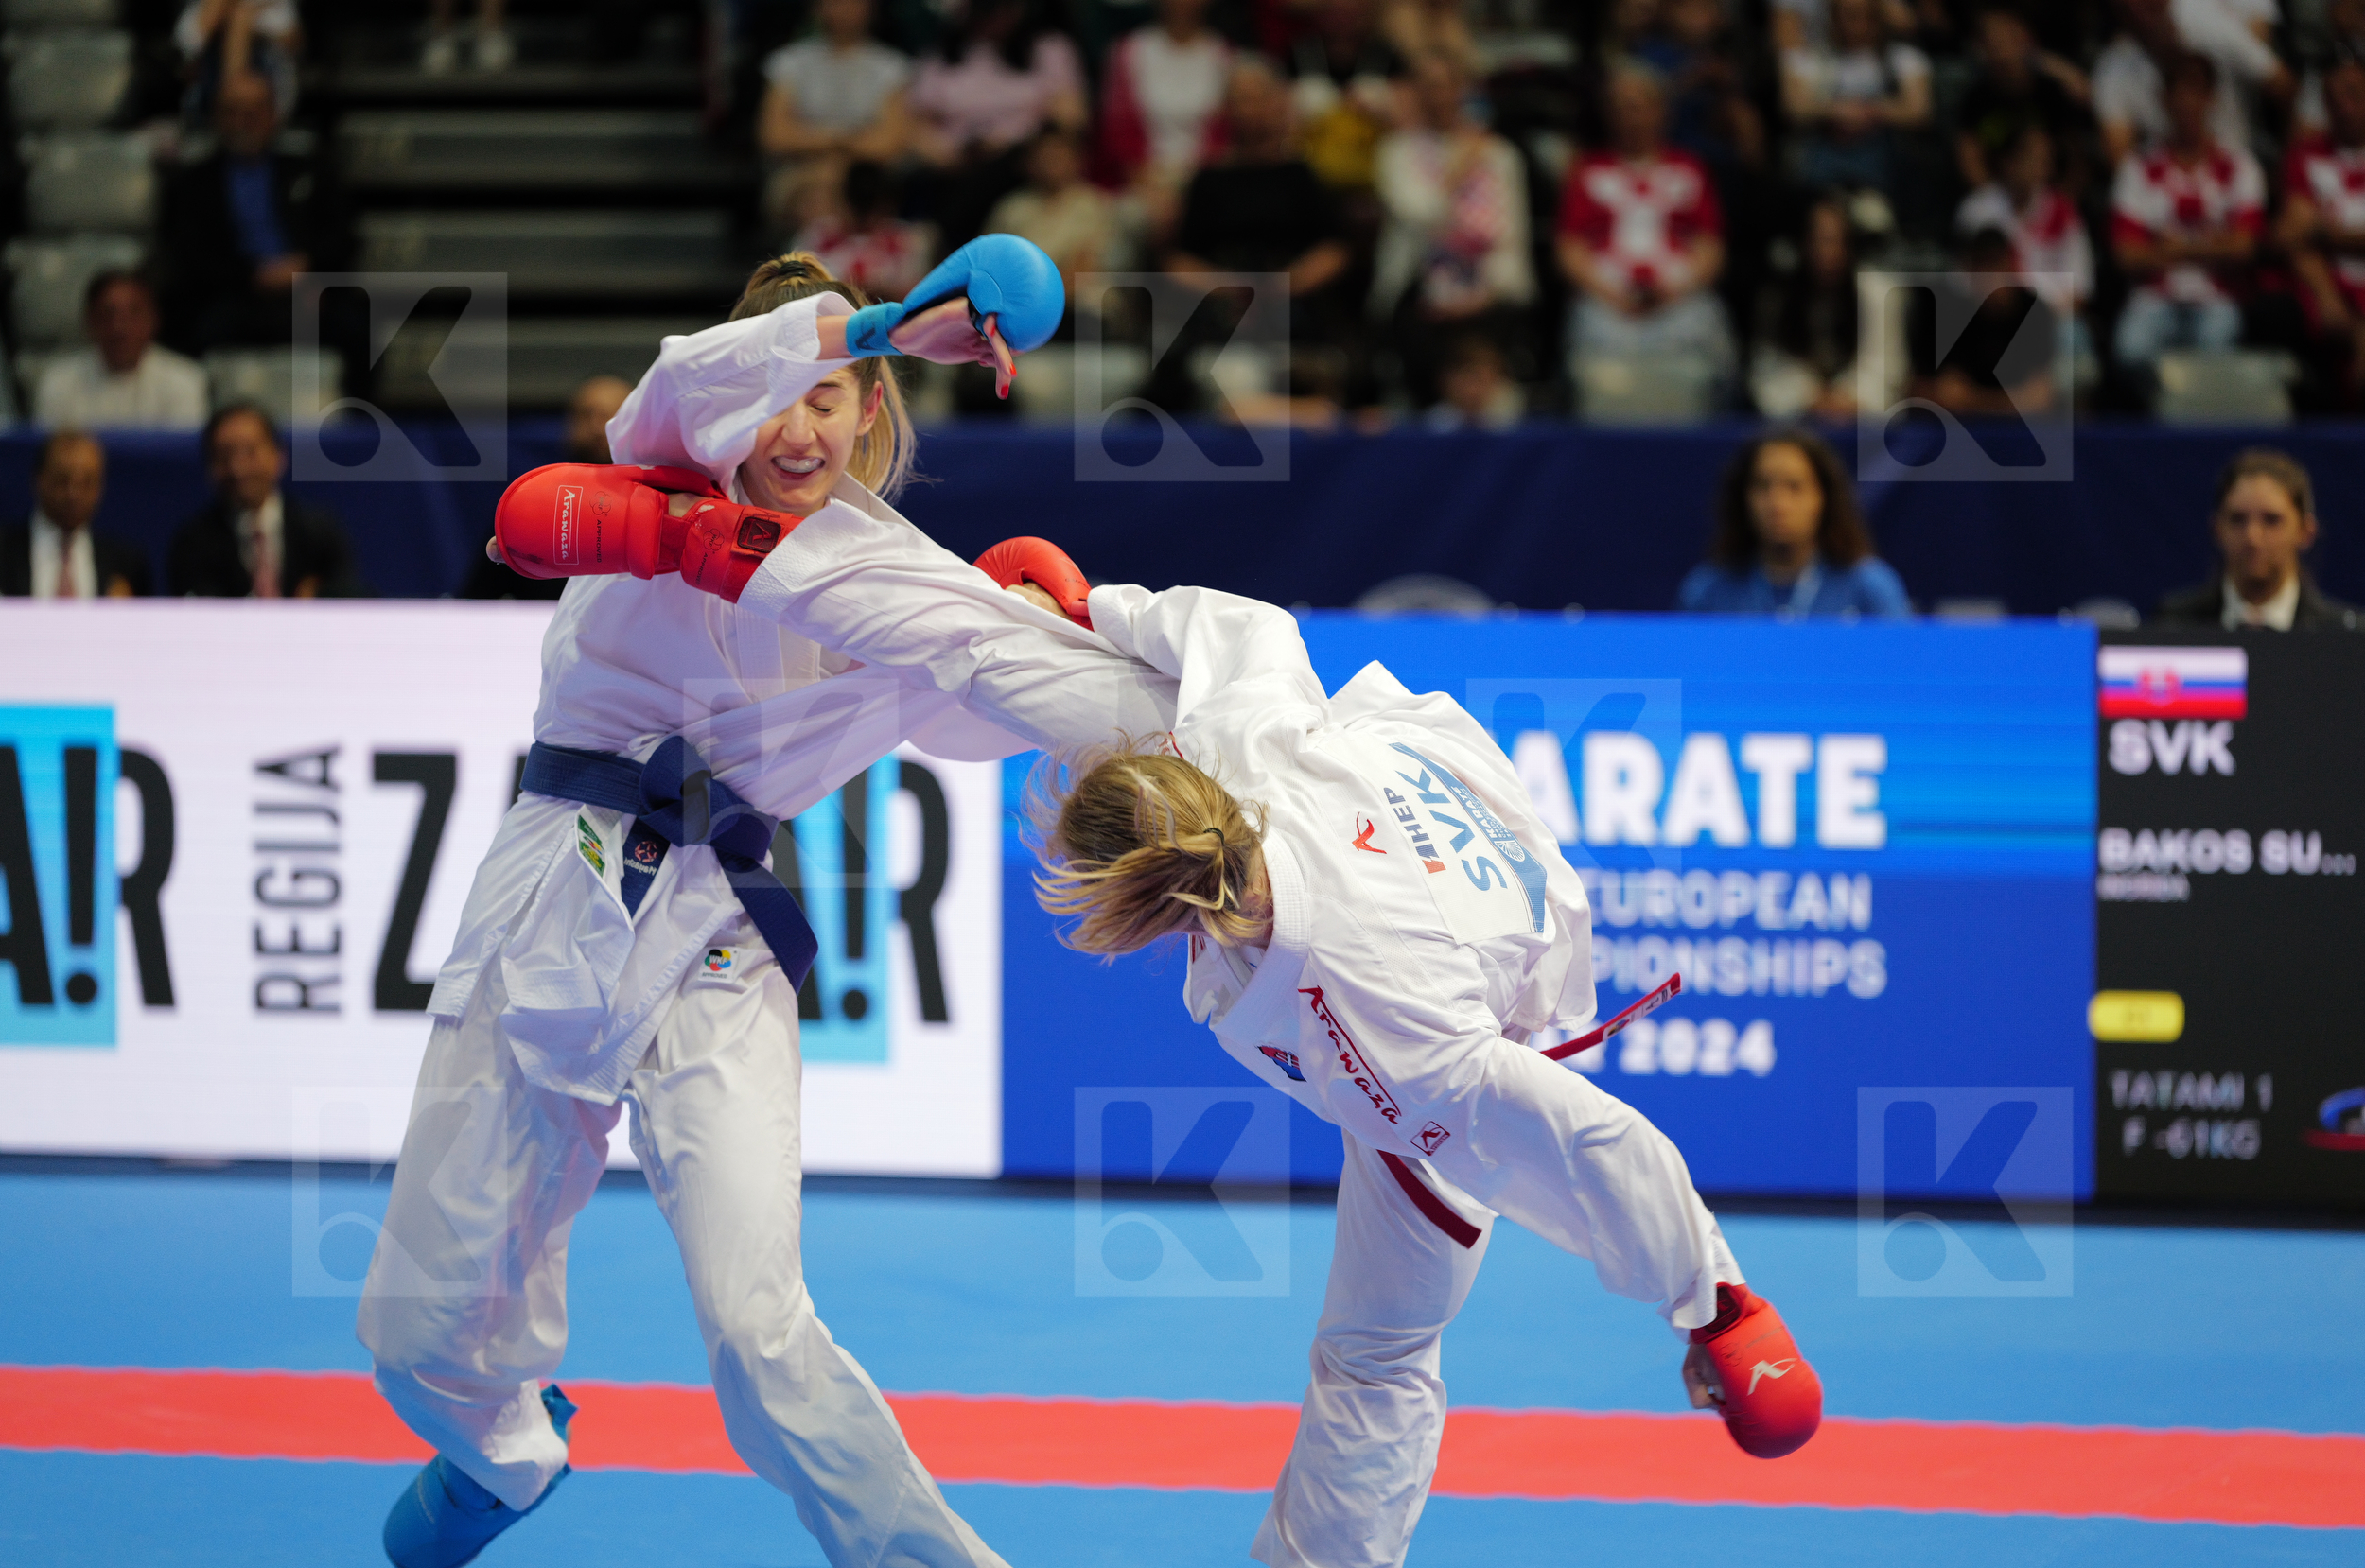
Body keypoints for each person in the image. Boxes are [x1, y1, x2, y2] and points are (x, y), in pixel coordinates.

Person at [499, 475, 1827, 1568]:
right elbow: (1233, 630)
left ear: (1147, 913)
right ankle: (740, 552)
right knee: (1094, 684)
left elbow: (1579, 1131)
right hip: (1423, 818)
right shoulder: (1235, 751)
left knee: (1379, 1344)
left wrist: (1716, 1307)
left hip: (1497, 968)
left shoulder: (1396, 1033)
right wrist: (1091, 605)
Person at [358, 240, 1101, 1568]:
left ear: (872, 411)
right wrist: (866, 321)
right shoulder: (661, 463)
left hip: (722, 941)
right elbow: (688, 376)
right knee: (417, 1330)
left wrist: (1062, 622)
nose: (800, 426)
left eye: (834, 397)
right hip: (559, 891)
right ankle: (505, 1456)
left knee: (762, 1331)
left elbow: (981, 714)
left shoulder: (890, 569)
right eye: (782, 391)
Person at [1556, 62, 1735, 402]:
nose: (1632, 116)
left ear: (1661, 111)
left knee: (1708, 325)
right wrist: (1612, 296)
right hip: (1607, 302)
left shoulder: (1688, 169)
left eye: (1640, 105)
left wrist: (1673, 291)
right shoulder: (1589, 171)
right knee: (1585, 330)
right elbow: (1570, 248)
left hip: (1677, 300)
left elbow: (1710, 246)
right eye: (1623, 106)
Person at [1371, 50, 1535, 406]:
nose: (1438, 95)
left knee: (1492, 369)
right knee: (1422, 351)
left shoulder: (1499, 155)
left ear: (1462, 90)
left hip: (1486, 296)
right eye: (1428, 86)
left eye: (1446, 86)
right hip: (1420, 295)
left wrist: (1487, 296)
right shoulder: (1396, 151)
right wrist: (1457, 170)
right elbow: (1419, 213)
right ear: (1414, 92)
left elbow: (1512, 237)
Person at [2109, 50, 2265, 385]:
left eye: (2197, 93)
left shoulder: (2240, 168)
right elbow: (2126, 255)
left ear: (2211, 99)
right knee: (2130, 348)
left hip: (2217, 299)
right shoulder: (2138, 169)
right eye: (2179, 93)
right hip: (2153, 299)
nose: (2187, 104)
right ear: (2164, 99)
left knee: (2215, 348)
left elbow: (2244, 249)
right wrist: (2212, 244)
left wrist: (2173, 246)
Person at [160, 68, 340, 352]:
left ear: (273, 114)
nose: (246, 121)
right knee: (196, 329)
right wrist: (253, 277)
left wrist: (305, 265)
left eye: (256, 109)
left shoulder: (311, 169)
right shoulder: (193, 183)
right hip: (232, 295)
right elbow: (188, 252)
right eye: (234, 111)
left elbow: (340, 235)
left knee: (357, 329)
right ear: (217, 118)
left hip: (306, 288)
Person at [909, 0, 1088, 251]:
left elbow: (1072, 118)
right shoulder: (943, 55)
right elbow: (916, 124)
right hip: (958, 161)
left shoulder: (1048, 48)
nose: (995, 18)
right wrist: (948, 155)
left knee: (981, 183)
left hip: (1023, 156)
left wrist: (1021, 137)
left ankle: (945, 243)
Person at [1677, 428, 1913, 618]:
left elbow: (1902, 669)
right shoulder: (1708, 591)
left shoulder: (1870, 587)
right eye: (1763, 486)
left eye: (1794, 487)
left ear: (1823, 498)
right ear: (1743, 498)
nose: (1777, 503)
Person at [166, 404, 365, 598]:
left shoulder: (319, 532)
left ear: (278, 456)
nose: (238, 468)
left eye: (250, 452)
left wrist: (320, 596)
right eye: (224, 456)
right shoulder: (193, 542)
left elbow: (348, 597)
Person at [460, 375, 632, 601]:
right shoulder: (528, 507)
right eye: (587, 415)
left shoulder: (669, 502)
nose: (598, 428)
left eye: (613, 416)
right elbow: (477, 602)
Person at [2153, 447, 2361, 629]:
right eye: (2237, 519)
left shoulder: (2345, 635)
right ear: (2216, 530)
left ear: (2305, 532)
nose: (2252, 537)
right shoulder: (2174, 624)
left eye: (2272, 520)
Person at [757, 0, 913, 237]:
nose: (845, 10)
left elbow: (889, 143)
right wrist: (844, 140)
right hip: (803, 171)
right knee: (818, 198)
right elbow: (775, 136)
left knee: (851, 190)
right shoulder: (788, 62)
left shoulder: (891, 67)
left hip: (866, 176)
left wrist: (824, 148)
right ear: (817, 7)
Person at [2092, 0, 2289, 166]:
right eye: (2126, 6)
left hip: (2238, 176)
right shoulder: (2113, 68)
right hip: (2164, 192)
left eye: (2145, 3)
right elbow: (2120, 160)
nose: (2137, 10)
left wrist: (2289, 166)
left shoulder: (2207, 21)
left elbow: (2282, 84)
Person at [1778, 0, 1932, 207]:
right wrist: (1835, 111)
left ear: (1875, 16)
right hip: (1827, 158)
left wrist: (1872, 111)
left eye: (1859, 14)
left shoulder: (1901, 58)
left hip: (1880, 160)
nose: (1852, 22)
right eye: (1845, 14)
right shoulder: (1813, 59)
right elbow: (1794, 107)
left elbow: (1919, 111)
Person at [1097, 0, 1233, 232]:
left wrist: (1199, 185)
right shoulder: (1131, 50)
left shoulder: (1221, 53)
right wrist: (1149, 185)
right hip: (1145, 177)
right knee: (1139, 217)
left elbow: (1226, 131)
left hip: (1206, 176)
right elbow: (1117, 130)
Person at [2279, 53, 2365, 400]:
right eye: (2334, 98)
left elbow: (2310, 232)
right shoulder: (2305, 156)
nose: (2344, 107)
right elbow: (2292, 237)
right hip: (2335, 290)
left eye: (2354, 95)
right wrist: (2326, 296)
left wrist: (2326, 233)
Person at [32, 272, 210, 432]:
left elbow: (180, 457)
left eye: (133, 314)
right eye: (108, 314)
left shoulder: (185, 380)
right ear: (89, 321)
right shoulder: (59, 381)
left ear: (153, 320)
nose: (119, 328)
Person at [1953, 4, 2092, 195]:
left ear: (2025, 36)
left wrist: (2057, 204)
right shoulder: (1976, 99)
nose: (2000, 47)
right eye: (1992, 39)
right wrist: (2004, 206)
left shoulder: (2050, 92)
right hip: (2002, 202)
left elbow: (2076, 159)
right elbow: (1970, 161)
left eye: (2007, 36)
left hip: (2055, 200)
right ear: (1981, 47)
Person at [0, 430, 149, 599]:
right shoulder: (4, 551)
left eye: (87, 482)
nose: (74, 494)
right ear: (39, 479)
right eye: (63, 480)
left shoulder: (125, 563)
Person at [1751, 196, 1861, 421]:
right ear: (1802, 243)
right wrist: (1810, 398)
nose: (1827, 252)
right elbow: (1767, 368)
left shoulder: (1874, 294)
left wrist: (1846, 397)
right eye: (1818, 240)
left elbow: (1884, 366)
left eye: (1835, 241)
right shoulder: (1776, 299)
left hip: (1861, 420)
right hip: (1796, 421)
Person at [985, 128, 1125, 301]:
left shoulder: (1096, 205)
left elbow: (1089, 264)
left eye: (1058, 156)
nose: (1051, 164)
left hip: (1079, 301)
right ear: (1029, 164)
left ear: (1076, 160)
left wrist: (1050, 296)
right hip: (1020, 298)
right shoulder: (1011, 209)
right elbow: (990, 263)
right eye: (1044, 157)